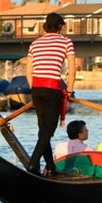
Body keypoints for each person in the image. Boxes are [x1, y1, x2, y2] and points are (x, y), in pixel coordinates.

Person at [25, 12, 76, 175]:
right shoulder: (66, 42)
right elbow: (72, 69)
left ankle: (50, 165)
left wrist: (34, 88)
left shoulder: (35, 43)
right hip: (53, 88)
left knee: (42, 129)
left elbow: (29, 71)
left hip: (37, 89)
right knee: (49, 130)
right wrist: (69, 90)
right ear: (60, 26)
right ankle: (33, 163)